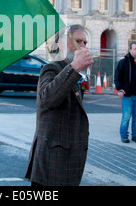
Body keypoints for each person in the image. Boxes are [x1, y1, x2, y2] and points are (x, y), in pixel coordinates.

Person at [25, 25, 93, 186]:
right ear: (61, 43)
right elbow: (47, 98)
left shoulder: (72, 72)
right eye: (77, 41)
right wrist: (75, 66)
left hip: (68, 161)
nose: (82, 46)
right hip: (52, 163)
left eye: (84, 42)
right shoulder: (52, 68)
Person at [114, 42, 136, 143]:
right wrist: (119, 89)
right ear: (130, 50)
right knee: (126, 117)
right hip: (127, 95)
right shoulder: (123, 63)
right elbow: (117, 77)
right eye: (135, 48)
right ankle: (124, 135)